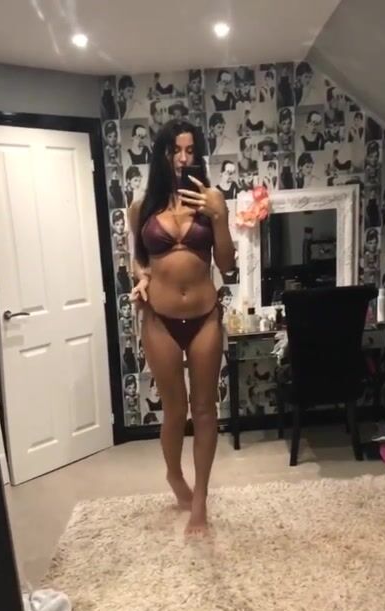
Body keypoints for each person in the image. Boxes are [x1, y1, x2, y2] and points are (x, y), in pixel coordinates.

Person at [129, 119, 235, 535]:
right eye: (175, 150)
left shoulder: (212, 198)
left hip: (205, 316)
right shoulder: (142, 207)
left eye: (190, 151)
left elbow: (225, 264)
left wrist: (219, 216)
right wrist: (141, 278)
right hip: (159, 319)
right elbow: (138, 259)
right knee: (175, 410)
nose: (183, 158)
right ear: (161, 153)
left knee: (205, 410)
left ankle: (201, 499)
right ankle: (175, 475)